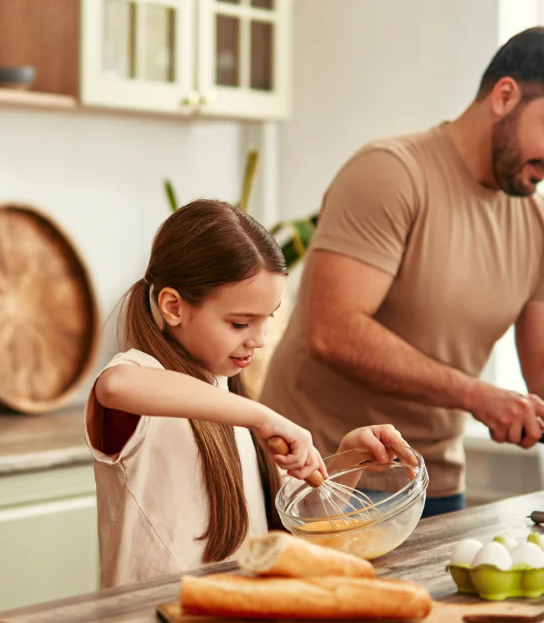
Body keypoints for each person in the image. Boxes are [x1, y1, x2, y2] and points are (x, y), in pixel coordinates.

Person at [259, 26, 544, 518]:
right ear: (505, 96)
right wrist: (477, 395)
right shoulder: (390, 173)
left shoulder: (541, 224)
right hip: (321, 477)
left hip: (432, 486)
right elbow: (332, 330)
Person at [86, 199, 414, 589]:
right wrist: (261, 417)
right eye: (240, 323)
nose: (258, 340)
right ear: (173, 306)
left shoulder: (232, 399)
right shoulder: (143, 382)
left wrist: (350, 458)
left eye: (267, 318)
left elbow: (298, 529)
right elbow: (115, 385)